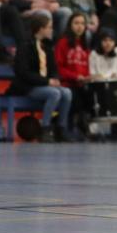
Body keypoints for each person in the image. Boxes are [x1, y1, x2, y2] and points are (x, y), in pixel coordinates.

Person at [8, 15, 73, 143]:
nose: (51, 30)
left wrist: (55, 79)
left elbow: (53, 69)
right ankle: (45, 128)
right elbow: (23, 72)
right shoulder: (25, 46)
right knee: (54, 93)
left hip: (44, 84)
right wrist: (47, 82)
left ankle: (61, 128)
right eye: (49, 27)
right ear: (40, 29)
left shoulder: (47, 47)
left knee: (67, 92)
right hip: (28, 86)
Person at [54, 12, 91, 138]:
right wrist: (76, 77)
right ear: (70, 25)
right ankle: (65, 128)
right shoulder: (63, 43)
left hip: (82, 84)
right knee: (76, 98)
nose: (79, 26)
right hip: (67, 83)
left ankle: (83, 126)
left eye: (82, 23)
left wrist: (88, 77)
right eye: (76, 23)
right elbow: (59, 68)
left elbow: (87, 67)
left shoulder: (85, 45)